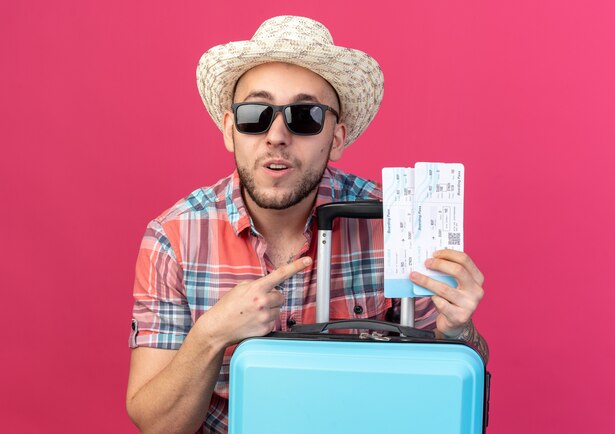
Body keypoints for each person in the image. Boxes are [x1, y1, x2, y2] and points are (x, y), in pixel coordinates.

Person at [126, 15, 489, 434]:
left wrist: (460, 331)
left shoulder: (397, 223)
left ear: (336, 136)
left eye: (305, 116)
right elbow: (157, 425)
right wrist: (210, 335)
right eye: (255, 114)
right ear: (230, 129)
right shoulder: (173, 239)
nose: (277, 135)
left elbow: (445, 396)